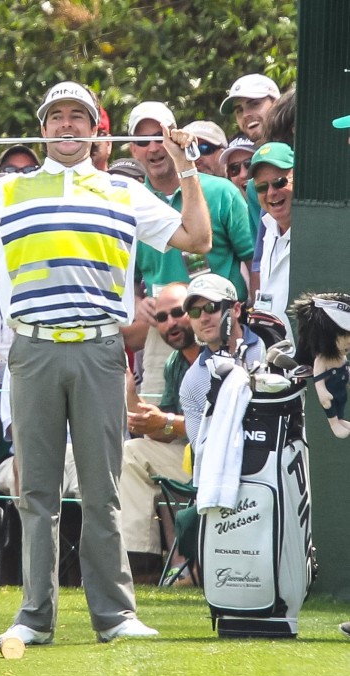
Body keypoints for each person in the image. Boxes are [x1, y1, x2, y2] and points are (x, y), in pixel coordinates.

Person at [0, 81, 211, 645]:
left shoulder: (123, 190)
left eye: (79, 116)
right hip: (32, 350)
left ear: (96, 130)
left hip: (101, 350)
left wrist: (187, 166)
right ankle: (34, 616)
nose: (67, 125)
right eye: (57, 116)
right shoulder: (9, 190)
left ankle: (116, 616)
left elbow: (196, 237)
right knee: (37, 492)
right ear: (44, 128)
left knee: (102, 489)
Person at [128, 101, 253, 403]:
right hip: (164, 332)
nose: (153, 148)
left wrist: (254, 316)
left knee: (230, 414)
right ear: (132, 150)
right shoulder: (131, 202)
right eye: (142, 141)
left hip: (218, 323)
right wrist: (137, 301)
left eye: (159, 137)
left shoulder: (221, 191)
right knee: (157, 418)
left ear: (175, 137)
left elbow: (253, 259)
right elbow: (127, 277)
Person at [120, 282, 199, 581]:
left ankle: (147, 567)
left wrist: (166, 421)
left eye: (178, 313)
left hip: (228, 463)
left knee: (132, 453)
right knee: (131, 452)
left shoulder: (218, 353)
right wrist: (131, 395)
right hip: (191, 459)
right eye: (162, 318)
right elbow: (163, 431)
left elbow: (219, 425)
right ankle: (139, 565)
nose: (170, 323)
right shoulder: (174, 362)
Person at [178, 273, 265, 457]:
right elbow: (202, 452)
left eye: (211, 307)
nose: (203, 318)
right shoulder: (191, 381)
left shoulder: (268, 348)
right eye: (195, 312)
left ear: (237, 309)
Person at [248, 142, 295, 340]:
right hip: (274, 350)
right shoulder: (268, 228)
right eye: (261, 187)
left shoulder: (318, 231)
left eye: (279, 182)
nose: (271, 193)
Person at [290, 292, 350, 438]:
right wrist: (323, 392)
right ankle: (335, 423)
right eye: (344, 334)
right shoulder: (321, 362)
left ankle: (340, 421)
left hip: (340, 395)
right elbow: (320, 385)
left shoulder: (342, 357)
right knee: (330, 405)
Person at [220, 73, 281, 144]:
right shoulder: (241, 149)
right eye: (239, 110)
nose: (245, 115)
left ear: (276, 103)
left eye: (254, 104)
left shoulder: (292, 143)